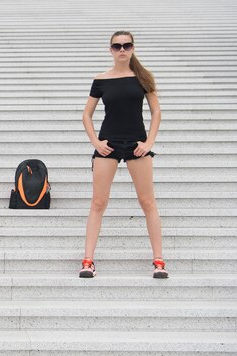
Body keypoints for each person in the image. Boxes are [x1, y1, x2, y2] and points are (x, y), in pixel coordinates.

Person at [80, 31, 168, 279]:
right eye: (117, 46)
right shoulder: (101, 80)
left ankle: (159, 261)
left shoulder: (142, 77)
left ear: (132, 48)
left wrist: (148, 142)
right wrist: (96, 142)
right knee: (98, 203)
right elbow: (86, 114)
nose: (122, 49)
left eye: (126, 45)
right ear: (110, 49)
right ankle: (88, 261)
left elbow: (156, 112)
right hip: (108, 145)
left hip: (137, 145)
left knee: (147, 202)